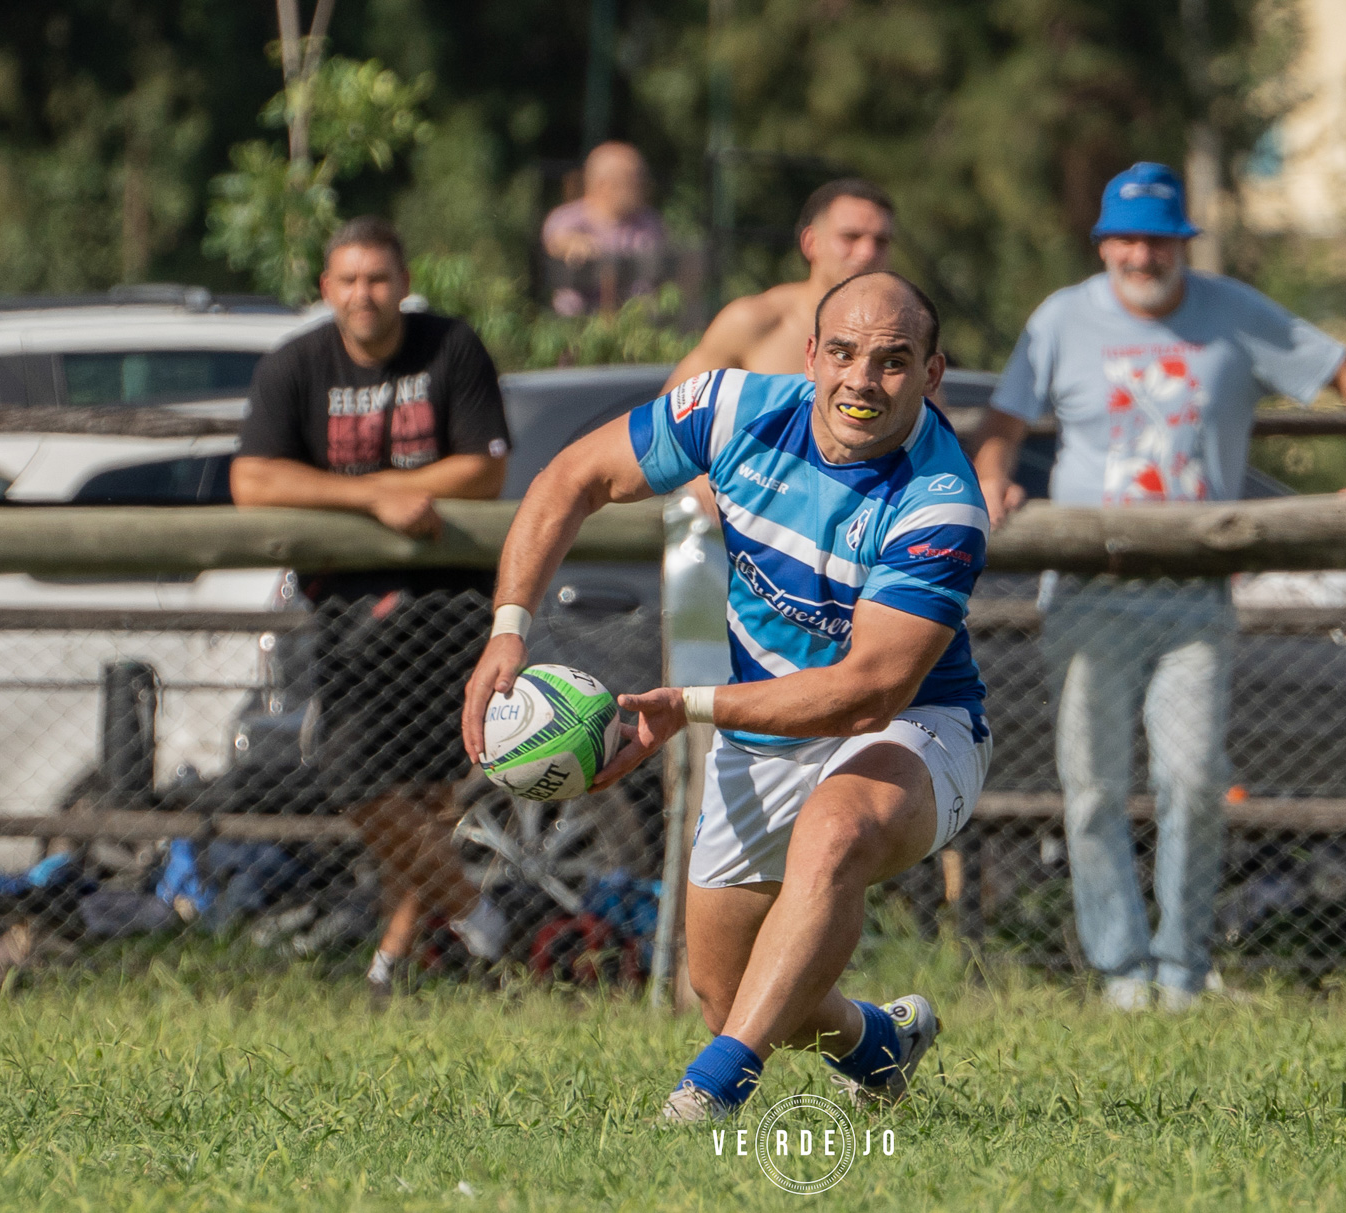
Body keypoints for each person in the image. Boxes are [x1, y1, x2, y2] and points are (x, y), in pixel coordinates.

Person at [461, 271, 990, 1121]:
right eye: (845, 353)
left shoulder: (942, 503)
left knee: (835, 833)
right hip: (763, 729)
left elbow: (865, 693)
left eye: (893, 362)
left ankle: (711, 1090)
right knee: (728, 990)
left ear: (931, 375)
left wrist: (688, 709)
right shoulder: (731, 409)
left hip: (915, 726)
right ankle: (873, 1044)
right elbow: (571, 479)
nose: (862, 379)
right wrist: (508, 628)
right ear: (811, 354)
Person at [970, 162, 1346, 1012]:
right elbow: (1003, 421)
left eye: (1160, 239)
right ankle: (1119, 968)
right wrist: (994, 475)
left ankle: (1180, 969)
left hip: (1195, 595)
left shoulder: (1234, 311)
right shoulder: (1061, 318)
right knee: (1093, 786)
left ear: (1183, 245)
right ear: (1104, 243)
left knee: (1192, 778)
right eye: (1128, 239)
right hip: (1087, 588)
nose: (1143, 255)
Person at [231, 215, 514, 1000]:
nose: (365, 294)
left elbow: (485, 470)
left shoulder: (450, 347)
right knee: (354, 775)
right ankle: (473, 911)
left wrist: (375, 496)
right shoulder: (295, 365)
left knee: (425, 794)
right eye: (349, 279)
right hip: (347, 604)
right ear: (327, 289)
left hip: (449, 597)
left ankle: (390, 967)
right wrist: (379, 499)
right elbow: (252, 482)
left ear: (403, 282)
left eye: (379, 278)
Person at [662, 178, 894, 389]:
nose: (867, 252)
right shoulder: (753, 323)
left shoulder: (901, 335)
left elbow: (930, 425)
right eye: (850, 237)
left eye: (881, 241)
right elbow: (662, 424)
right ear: (811, 242)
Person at [540, 142, 669, 316]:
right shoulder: (569, 218)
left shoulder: (649, 221)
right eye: (633, 180)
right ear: (603, 185)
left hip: (637, 323)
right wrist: (573, 243)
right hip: (582, 325)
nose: (642, 186)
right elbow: (556, 239)